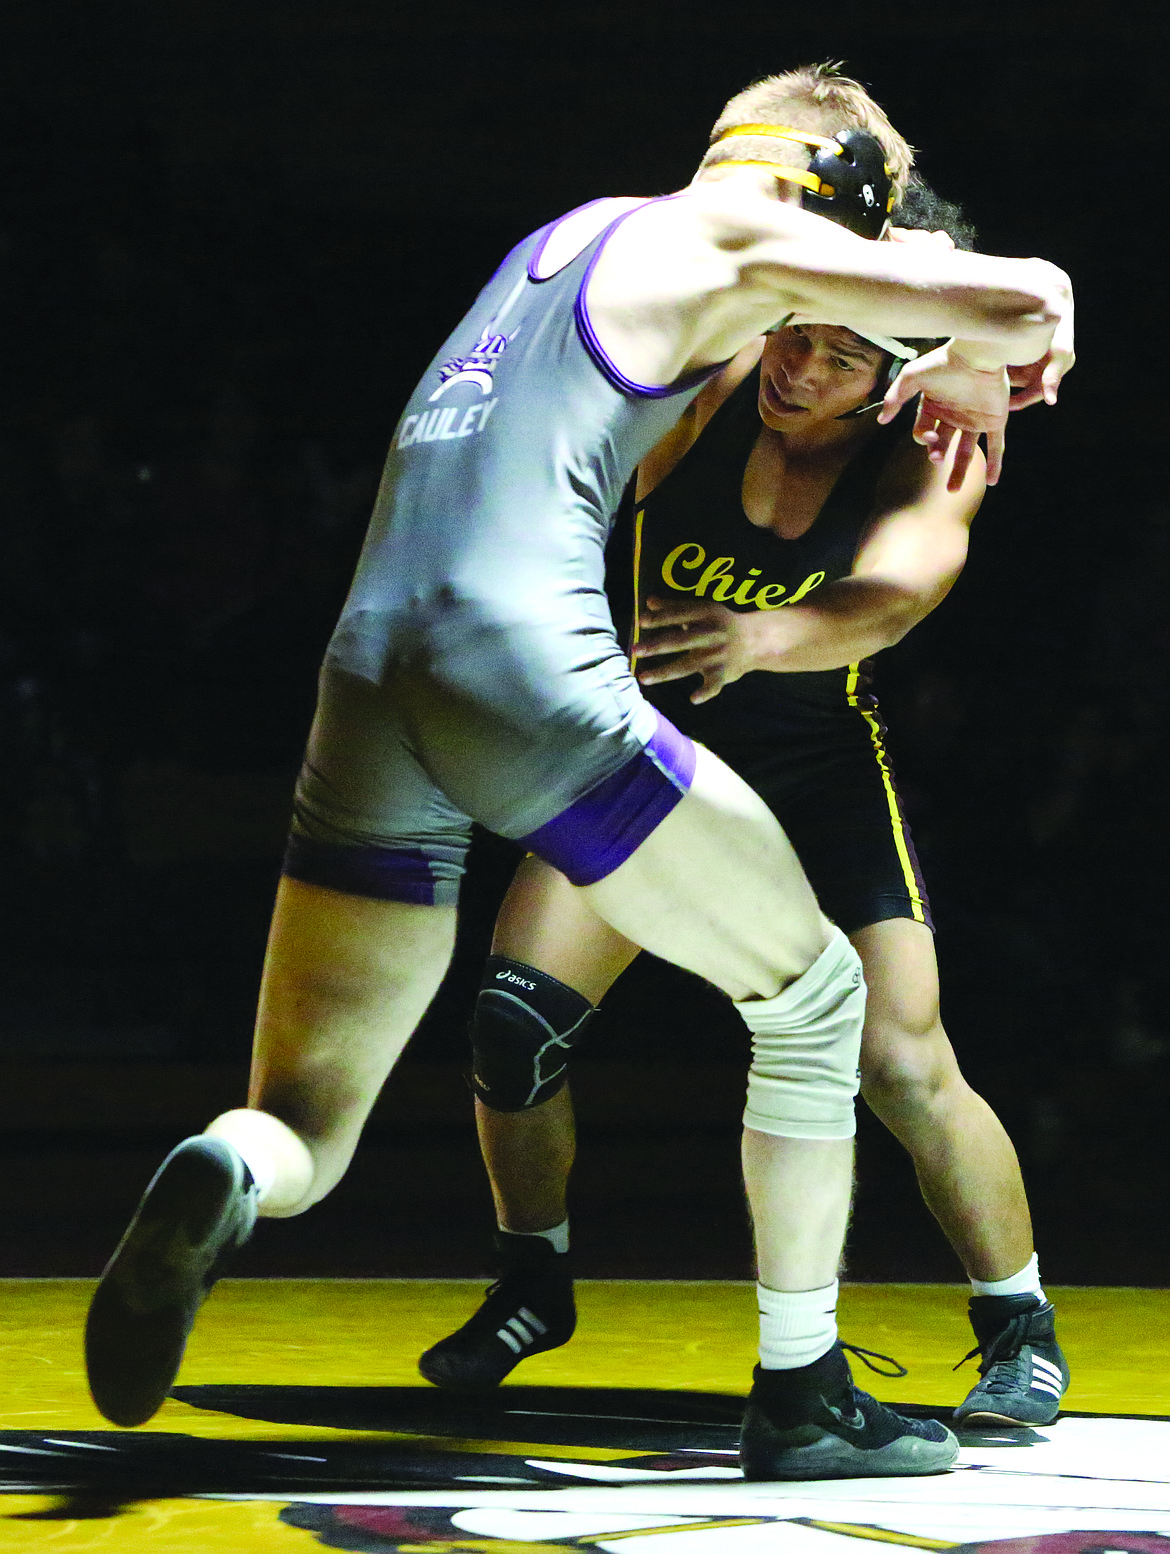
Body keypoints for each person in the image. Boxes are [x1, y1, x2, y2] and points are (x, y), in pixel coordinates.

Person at [85, 64, 1073, 1480]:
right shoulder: (736, 260)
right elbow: (1027, 291)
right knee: (810, 1002)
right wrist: (1006, 334)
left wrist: (940, 362)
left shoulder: (567, 240)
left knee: (310, 1111)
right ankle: (797, 1392)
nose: (804, 361)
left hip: (373, 675)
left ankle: (234, 1166)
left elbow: (901, 580)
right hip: (537, 683)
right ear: (834, 205)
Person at [418, 178, 1070, 1431]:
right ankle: (533, 1276)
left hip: (817, 765)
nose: (799, 365)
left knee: (900, 1058)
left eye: (838, 355)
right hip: (651, 757)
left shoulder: (932, 444)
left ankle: (1018, 1320)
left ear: (900, 372)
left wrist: (769, 636)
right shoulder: (721, 382)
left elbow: (900, 593)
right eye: (797, 329)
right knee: (511, 1025)